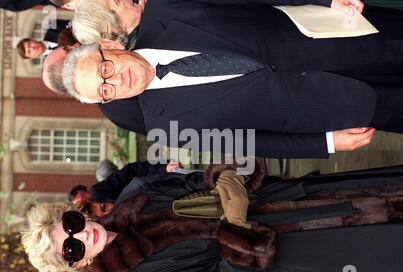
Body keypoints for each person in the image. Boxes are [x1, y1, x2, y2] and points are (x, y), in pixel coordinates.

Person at [63, 0, 403, 159]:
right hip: (334, 107)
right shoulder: (164, 127)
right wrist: (325, 144)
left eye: (105, 69)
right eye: (107, 90)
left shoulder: (167, 10)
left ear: (108, 46)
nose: (119, 80)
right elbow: (251, 143)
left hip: (341, 37)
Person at [22, 160, 403, 272]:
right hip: (304, 264)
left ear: (77, 214)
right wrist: (237, 229)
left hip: (300, 201)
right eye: (70, 249)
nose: (80, 236)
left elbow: (196, 185)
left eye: (70, 225)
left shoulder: (133, 199)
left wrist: (225, 175)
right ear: (76, 266)